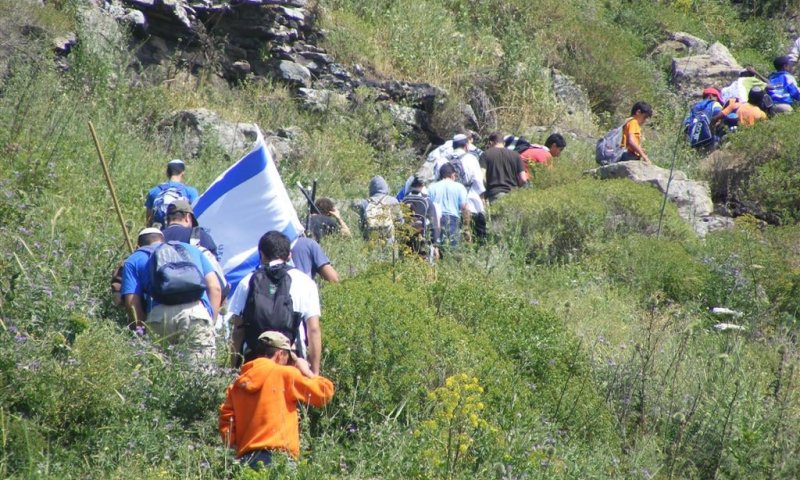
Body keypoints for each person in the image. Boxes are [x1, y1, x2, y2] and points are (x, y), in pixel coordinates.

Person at [219, 331, 334, 470]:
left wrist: (238, 448)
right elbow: (324, 394)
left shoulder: (237, 385)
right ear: (280, 354)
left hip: (246, 460)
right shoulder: (285, 374)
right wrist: (307, 372)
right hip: (279, 458)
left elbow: (227, 424)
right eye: (288, 357)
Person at [120, 227, 221, 362]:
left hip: (159, 318)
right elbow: (215, 288)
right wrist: (210, 320)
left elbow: (132, 302)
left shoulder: (134, 259)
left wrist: (141, 333)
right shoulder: (191, 249)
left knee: (160, 371)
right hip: (195, 313)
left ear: (138, 246)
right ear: (163, 240)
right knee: (200, 370)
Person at [228, 231, 322, 373]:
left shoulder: (247, 281)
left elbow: (238, 329)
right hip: (290, 360)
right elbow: (313, 329)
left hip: (254, 361)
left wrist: (233, 367)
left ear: (261, 255)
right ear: (289, 255)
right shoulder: (305, 282)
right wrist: (314, 373)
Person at [145, 159, 200, 227]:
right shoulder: (191, 192)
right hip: (182, 231)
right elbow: (196, 215)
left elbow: (149, 220)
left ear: (167, 173)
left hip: (160, 232)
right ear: (183, 173)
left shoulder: (153, 191)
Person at [427, 163, 469, 247]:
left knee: (435, 248)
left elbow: (428, 206)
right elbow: (464, 207)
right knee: (452, 249)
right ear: (453, 174)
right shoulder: (459, 187)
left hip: (435, 220)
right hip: (453, 219)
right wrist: (466, 227)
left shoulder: (431, 188)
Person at [480, 132, 527, 201]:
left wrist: (484, 192)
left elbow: (481, 177)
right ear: (504, 143)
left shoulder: (486, 154)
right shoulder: (516, 155)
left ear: (491, 142)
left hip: (495, 194)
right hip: (513, 196)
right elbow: (523, 179)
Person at [401, 176, 441, 258]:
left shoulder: (404, 200)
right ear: (423, 186)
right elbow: (434, 224)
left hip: (406, 239)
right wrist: (435, 245)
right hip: (422, 240)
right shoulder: (427, 201)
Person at [352, 176, 403, 241]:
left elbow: (361, 225)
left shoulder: (364, 203)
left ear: (371, 189)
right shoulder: (393, 201)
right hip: (389, 241)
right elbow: (400, 222)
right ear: (385, 187)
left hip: (369, 242)